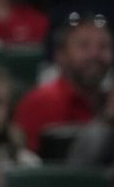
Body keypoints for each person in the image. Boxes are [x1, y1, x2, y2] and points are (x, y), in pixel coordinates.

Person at [13, 12, 112, 152]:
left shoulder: (109, 101)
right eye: (84, 46)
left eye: (103, 46)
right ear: (60, 55)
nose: (95, 54)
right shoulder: (39, 102)